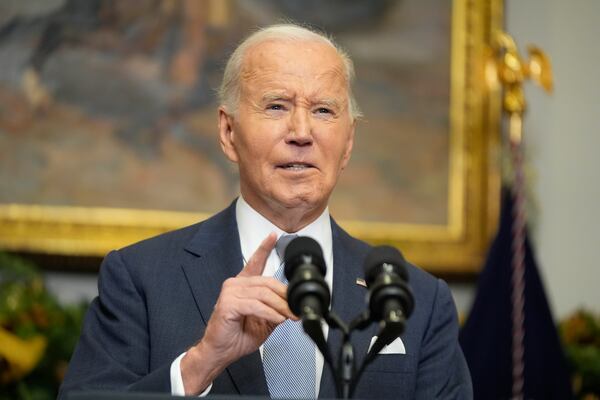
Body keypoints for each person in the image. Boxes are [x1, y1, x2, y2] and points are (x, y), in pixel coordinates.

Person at [59, 24, 472, 399]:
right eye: (276, 106)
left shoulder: (420, 299)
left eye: (323, 110)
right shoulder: (140, 278)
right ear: (228, 132)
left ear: (347, 144)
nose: (301, 133)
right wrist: (200, 364)